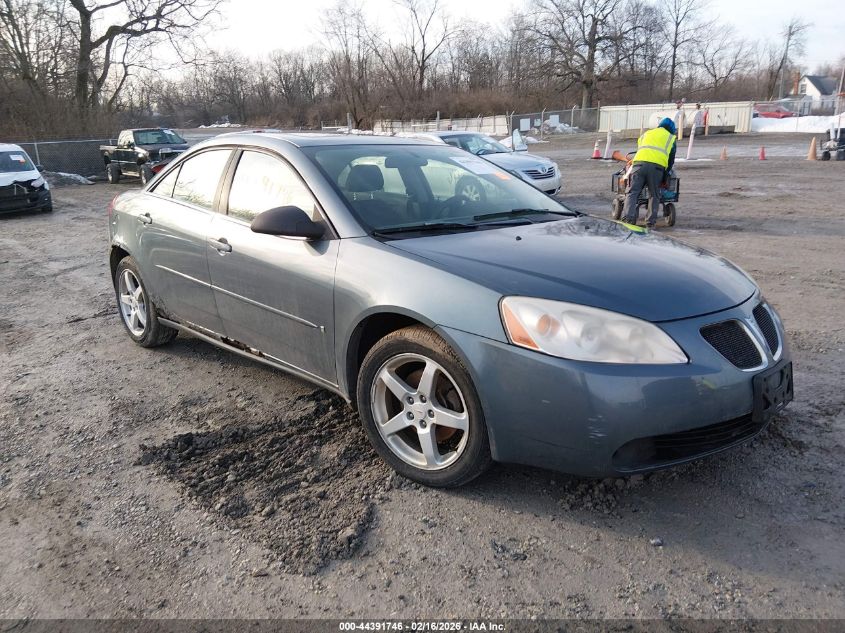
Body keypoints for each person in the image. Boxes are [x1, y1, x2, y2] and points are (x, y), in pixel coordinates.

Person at [622, 117, 677, 228]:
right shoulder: (671, 138)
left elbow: (641, 149)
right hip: (656, 168)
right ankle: (650, 222)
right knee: (654, 195)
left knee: (632, 193)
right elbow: (671, 160)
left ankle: (628, 219)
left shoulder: (646, 134)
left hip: (638, 165)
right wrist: (666, 175)